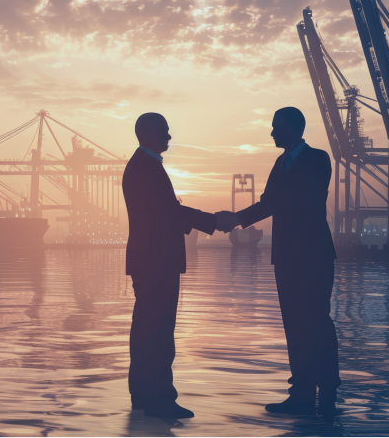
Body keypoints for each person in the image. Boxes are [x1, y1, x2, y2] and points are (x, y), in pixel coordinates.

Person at [216, 107, 340, 416]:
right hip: (286, 256)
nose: (272, 132)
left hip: (312, 256)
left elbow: (292, 200)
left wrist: (236, 218)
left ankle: (326, 392)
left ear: (294, 129)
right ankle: (300, 393)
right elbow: (270, 203)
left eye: (277, 127)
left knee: (317, 322)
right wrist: (237, 219)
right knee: (295, 324)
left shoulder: (318, 159)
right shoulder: (280, 162)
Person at [123, 112, 236, 419]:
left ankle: (144, 396)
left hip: (148, 261)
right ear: (149, 134)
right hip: (156, 262)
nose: (169, 138)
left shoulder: (141, 166)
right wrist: (213, 221)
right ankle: (160, 399)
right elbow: (170, 213)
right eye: (165, 132)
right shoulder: (147, 168)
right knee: (159, 331)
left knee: (146, 331)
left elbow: (165, 212)